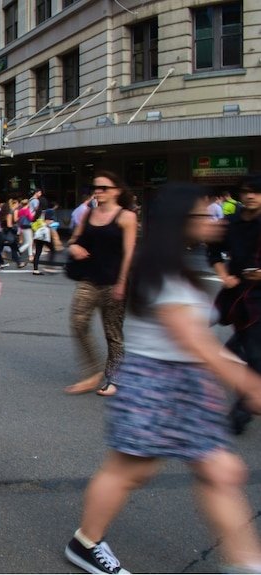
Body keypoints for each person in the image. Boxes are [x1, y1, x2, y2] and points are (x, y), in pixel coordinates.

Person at [64, 183, 261, 575]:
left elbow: (199, 343)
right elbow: (195, 341)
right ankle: (85, 542)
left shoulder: (177, 267)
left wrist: (241, 375)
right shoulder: (163, 272)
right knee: (129, 471)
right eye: (205, 215)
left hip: (186, 386)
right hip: (154, 386)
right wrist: (247, 383)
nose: (214, 221)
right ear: (181, 221)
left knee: (218, 472)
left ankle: (246, 563)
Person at [64, 171, 138, 396]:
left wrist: (122, 282)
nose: (98, 191)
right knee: (78, 323)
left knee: (113, 333)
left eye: (104, 187)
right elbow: (74, 240)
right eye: (95, 187)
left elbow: (129, 253)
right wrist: (74, 246)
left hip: (114, 282)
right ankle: (92, 373)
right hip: (89, 280)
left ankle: (114, 378)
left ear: (117, 191)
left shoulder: (126, 217)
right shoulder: (88, 214)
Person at [208, 174, 261, 435]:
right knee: (238, 346)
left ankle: (241, 412)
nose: (251, 196)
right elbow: (213, 250)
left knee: (255, 355)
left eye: (256, 192)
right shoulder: (231, 222)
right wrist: (223, 274)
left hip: (259, 298)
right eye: (247, 191)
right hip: (236, 292)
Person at [32, 202, 58, 276]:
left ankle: (35, 269)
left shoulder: (37, 213)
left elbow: (33, 222)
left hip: (38, 234)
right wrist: (52, 222)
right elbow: (48, 222)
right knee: (53, 249)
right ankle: (49, 266)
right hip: (44, 234)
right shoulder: (47, 212)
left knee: (38, 252)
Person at [17, 198, 35, 263]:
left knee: (28, 241)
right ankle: (19, 250)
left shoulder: (20, 210)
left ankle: (30, 255)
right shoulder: (27, 210)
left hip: (22, 227)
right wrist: (33, 215)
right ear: (28, 204)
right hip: (27, 227)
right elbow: (31, 218)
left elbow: (18, 219)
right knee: (29, 242)